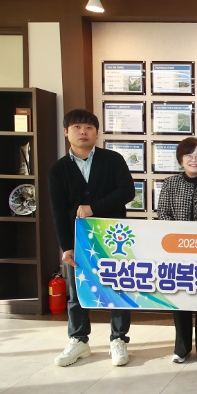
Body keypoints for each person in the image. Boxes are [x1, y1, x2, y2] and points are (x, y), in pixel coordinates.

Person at [48, 109, 135, 367]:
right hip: (79, 239)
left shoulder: (113, 160)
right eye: (77, 127)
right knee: (77, 291)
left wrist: (93, 208)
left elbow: (127, 191)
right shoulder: (58, 169)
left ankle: (118, 339)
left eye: (88, 127)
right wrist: (66, 246)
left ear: (97, 133)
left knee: (117, 287)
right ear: (66, 132)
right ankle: (79, 340)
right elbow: (57, 211)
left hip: (113, 237)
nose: (83, 132)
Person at [156, 137, 197, 364]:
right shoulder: (170, 184)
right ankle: (182, 348)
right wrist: (180, 238)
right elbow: (163, 213)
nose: (194, 160)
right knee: (181, 300)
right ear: (180, 159)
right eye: (189, 155)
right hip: (177, 253)